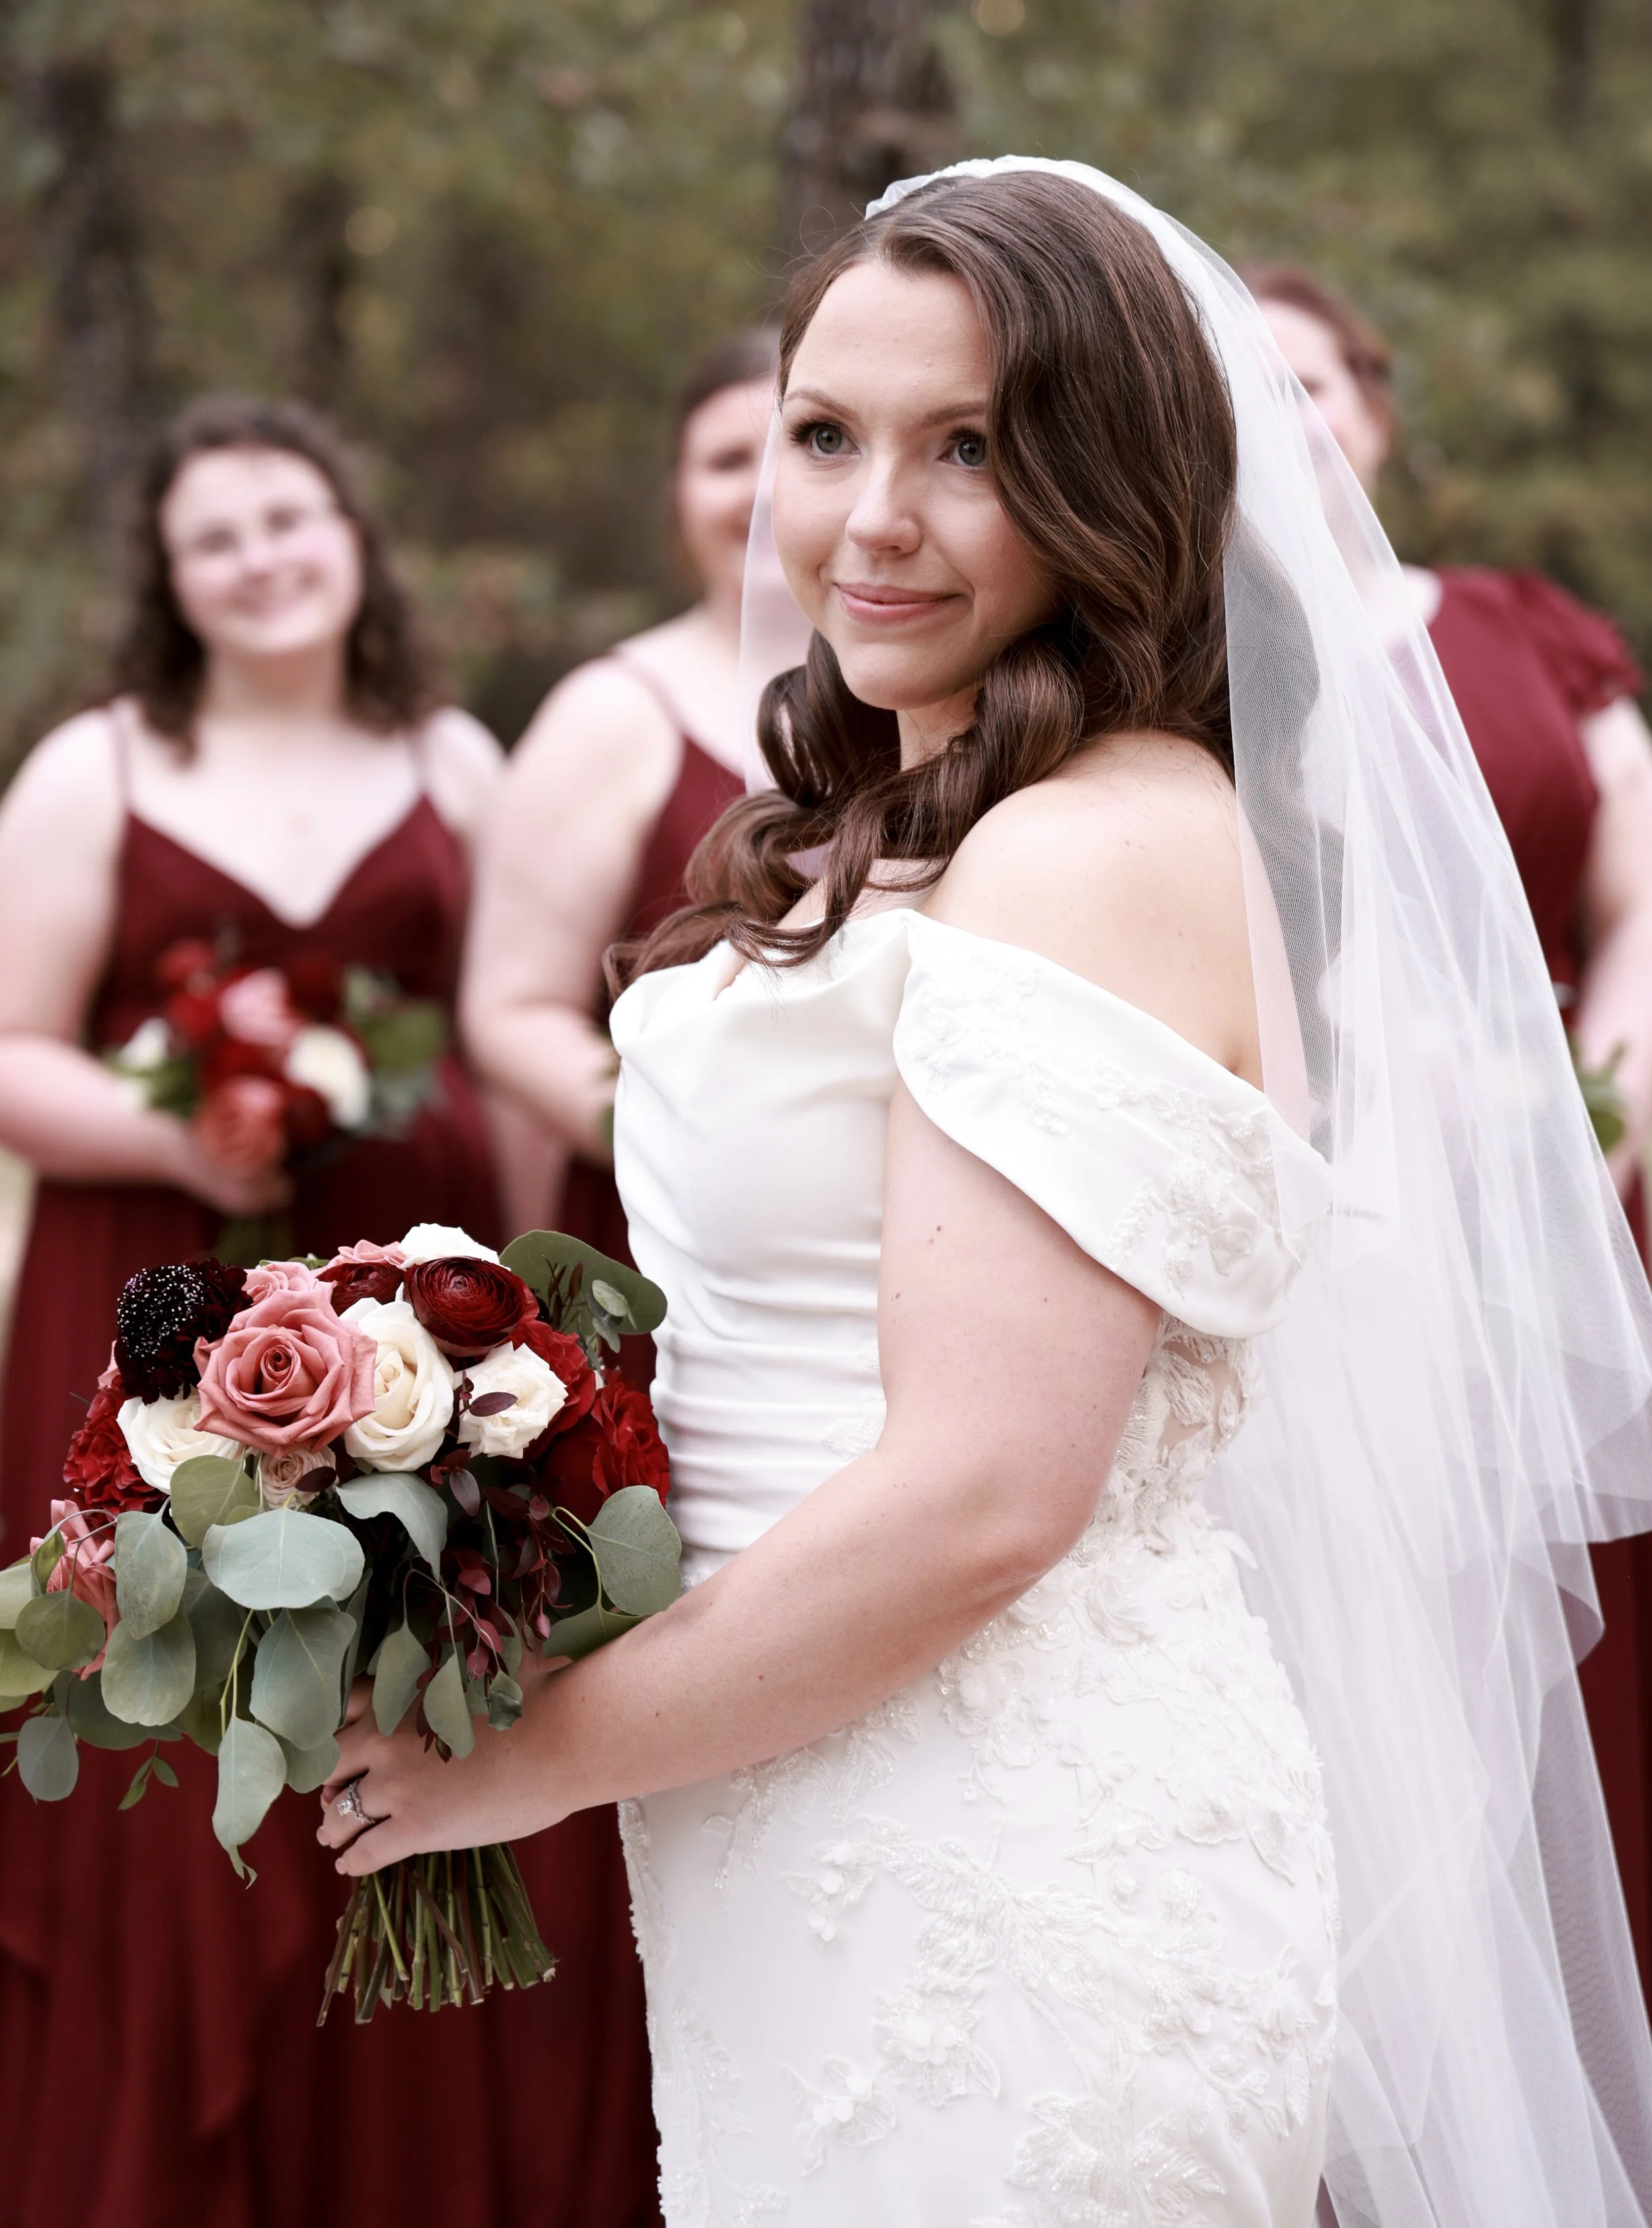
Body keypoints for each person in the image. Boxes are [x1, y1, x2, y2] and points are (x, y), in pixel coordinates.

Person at [320, 163, 1652, 2228]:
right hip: (807, 1795)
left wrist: (535, 1754)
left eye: (973, 451)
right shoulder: (926, 810)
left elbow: (984, 1491)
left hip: (997, 1854)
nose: (873, 518)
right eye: (826, 432)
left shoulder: (1091, 846)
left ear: (1111, 478)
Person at [0, 396, 655, 2228]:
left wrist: (521, 1316)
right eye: (217, 535)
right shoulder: (97, 766)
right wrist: (184, 1132)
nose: (262, 555)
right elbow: (8, 1046)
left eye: (290, 516)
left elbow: (514, 1033)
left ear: (351, 536)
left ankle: (403, 2149)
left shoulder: (453, 756)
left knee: (405, 1667)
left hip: (400, 1282)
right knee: (178, 1690)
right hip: (146, 1294)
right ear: (170, 578)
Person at [1251, 261, 1652, 1995]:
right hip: (1308, 1220)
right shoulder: (1182, 657)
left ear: (1372, 414)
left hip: (1562, 1188)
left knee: (1576, 1644)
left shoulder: (1521, 628)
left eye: (1310, 387)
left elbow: (1639, 901)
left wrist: (1594, 1092)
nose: (1281, 423)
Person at [462, 327, 776, 1386]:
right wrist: (679, 1137)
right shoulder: (611, 713)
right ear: (677, 497)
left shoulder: (952, 704)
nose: (766, 485)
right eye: (729, 460)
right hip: (663, 1240)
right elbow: (512, 1011)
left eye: (809, 443)